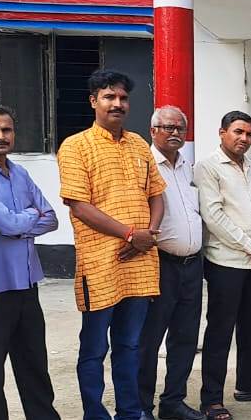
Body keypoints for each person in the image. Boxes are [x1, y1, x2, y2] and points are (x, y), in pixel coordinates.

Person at [57, 70, 165, 420]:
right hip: (100, 264)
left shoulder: (139, 144)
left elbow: (156, 195)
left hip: (140, 263)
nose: (117, 104)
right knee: (93, 348)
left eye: (122, 98)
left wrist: (149, 233)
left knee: (130, 345)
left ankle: (130, 412)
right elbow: (79, 205)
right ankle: (95, 414)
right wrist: (131, 234)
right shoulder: (75, 146)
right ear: (94, 101)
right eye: (109, 97)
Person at [0, 105, 60, 420]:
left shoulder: (20, 173)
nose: (1, 136)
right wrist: (24, 219)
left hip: (28, 283)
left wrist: (15, 225)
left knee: (34, 363)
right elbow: (8, 222)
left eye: (6, 130)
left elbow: (52, 219)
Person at [196, 111, 251, 419]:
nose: (244, 138)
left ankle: (249, 385)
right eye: (238, 132)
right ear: (222, 133)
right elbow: (213, 215)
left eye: (248, 133)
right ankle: (211, 399)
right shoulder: (207, 167)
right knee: (220, 332)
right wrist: (249, 246)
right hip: (226, 262)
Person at [137, 106, 205, 420]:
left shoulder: (188, 168)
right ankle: (142, 406)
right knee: (149, 340)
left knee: (185, 338)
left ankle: (173, 401)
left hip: (192, 266)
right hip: (159, 264)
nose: (175, 133)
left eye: (180, 128)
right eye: (168, 127)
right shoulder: (144, 166)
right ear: (153, 131)